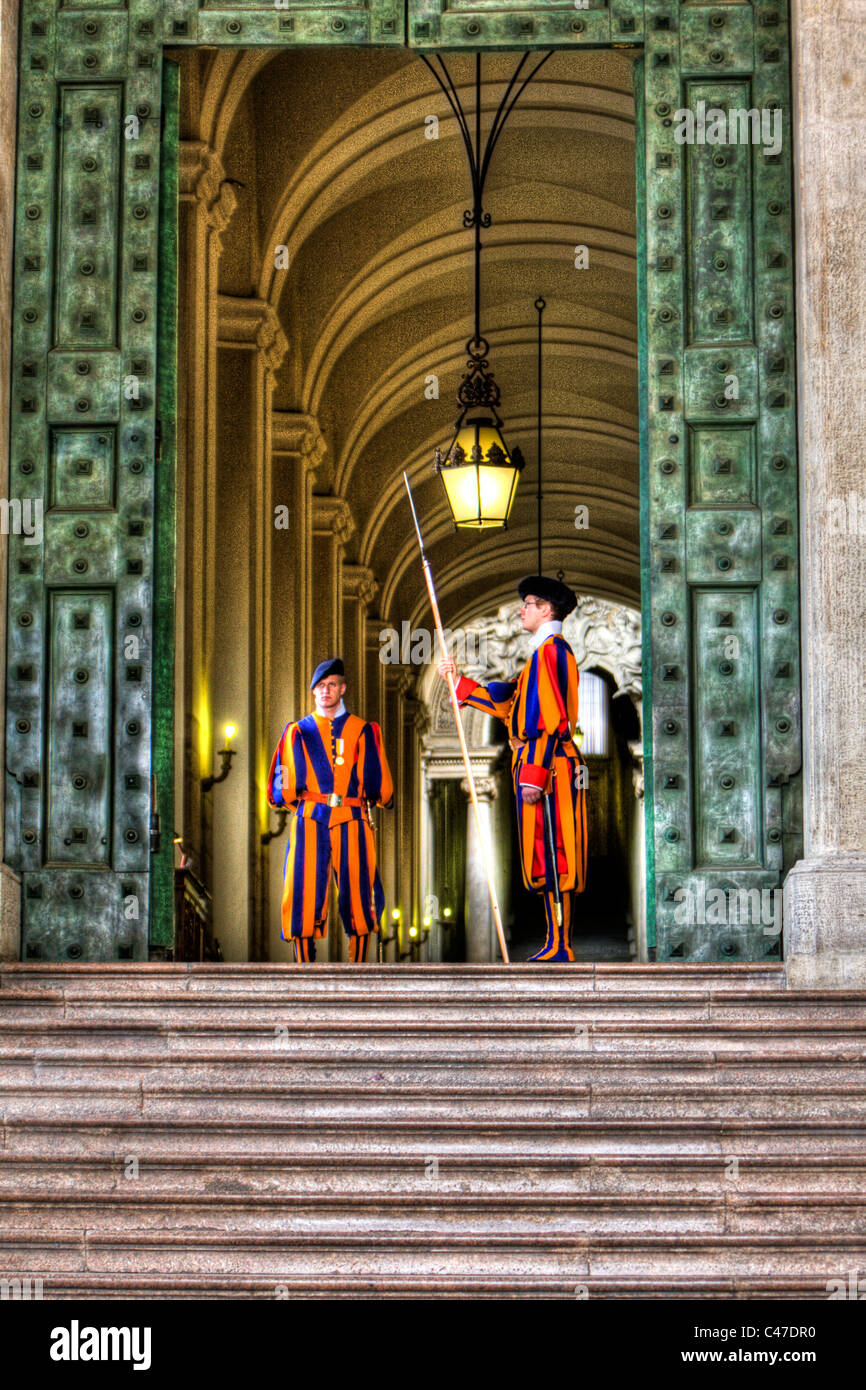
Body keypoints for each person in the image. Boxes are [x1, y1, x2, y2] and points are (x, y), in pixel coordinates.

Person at [438, 577, 587, 962]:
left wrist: (533, 775)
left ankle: (561, 944)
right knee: (543, 856)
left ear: (547, 610)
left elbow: (548, 719)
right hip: (543, 766)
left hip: (549, 768)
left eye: (529, 603)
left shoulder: (552, 652)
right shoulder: (539, 657)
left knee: (556, 854)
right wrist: (459, 683)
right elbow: (509, 701)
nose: (521, 609)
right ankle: (554, 940)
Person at [267, 657, 394, 962]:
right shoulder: (298, 731)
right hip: (311, 816)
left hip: (352, 816)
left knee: (359, 888)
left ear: (342, 688)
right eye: (320, 686)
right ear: (314, 692)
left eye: (331, 685)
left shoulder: (363, 730)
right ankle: (304, 968)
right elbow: (282, 783)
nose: (325, 691)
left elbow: (379, 786)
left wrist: (377, 797)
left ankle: (359, 966)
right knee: (302, 887)